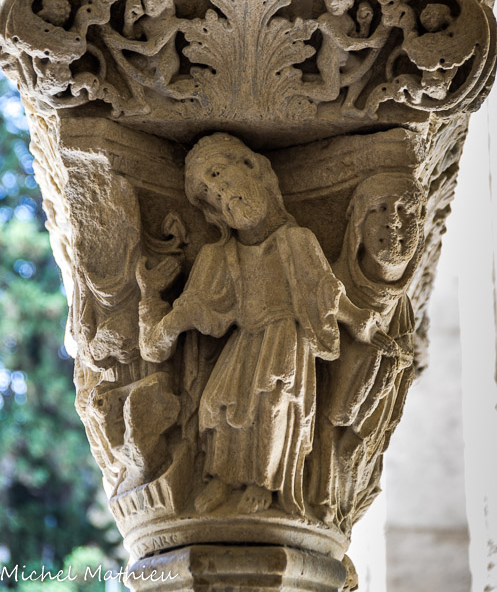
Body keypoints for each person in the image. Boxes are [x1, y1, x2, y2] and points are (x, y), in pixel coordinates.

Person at [138, 132, 376, 516]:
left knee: (272, 406)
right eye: (213, 196)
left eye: (220, 176)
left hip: (285, 342)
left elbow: (325, 294)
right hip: (245, 341)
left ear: (251, 167)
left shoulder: (297, 240)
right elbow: (200, 308)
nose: (221, 194)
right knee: (219, 406)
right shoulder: (221, 255)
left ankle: (263, 482)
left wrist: (358, 319)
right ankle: (222, 477)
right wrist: (166, 319)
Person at [308, 172, 426, 532]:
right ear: (357, 222)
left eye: (407, 211)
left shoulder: (402, 310)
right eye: (380, 208)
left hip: (356, 458)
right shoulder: (333, 285)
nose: (394, 221)